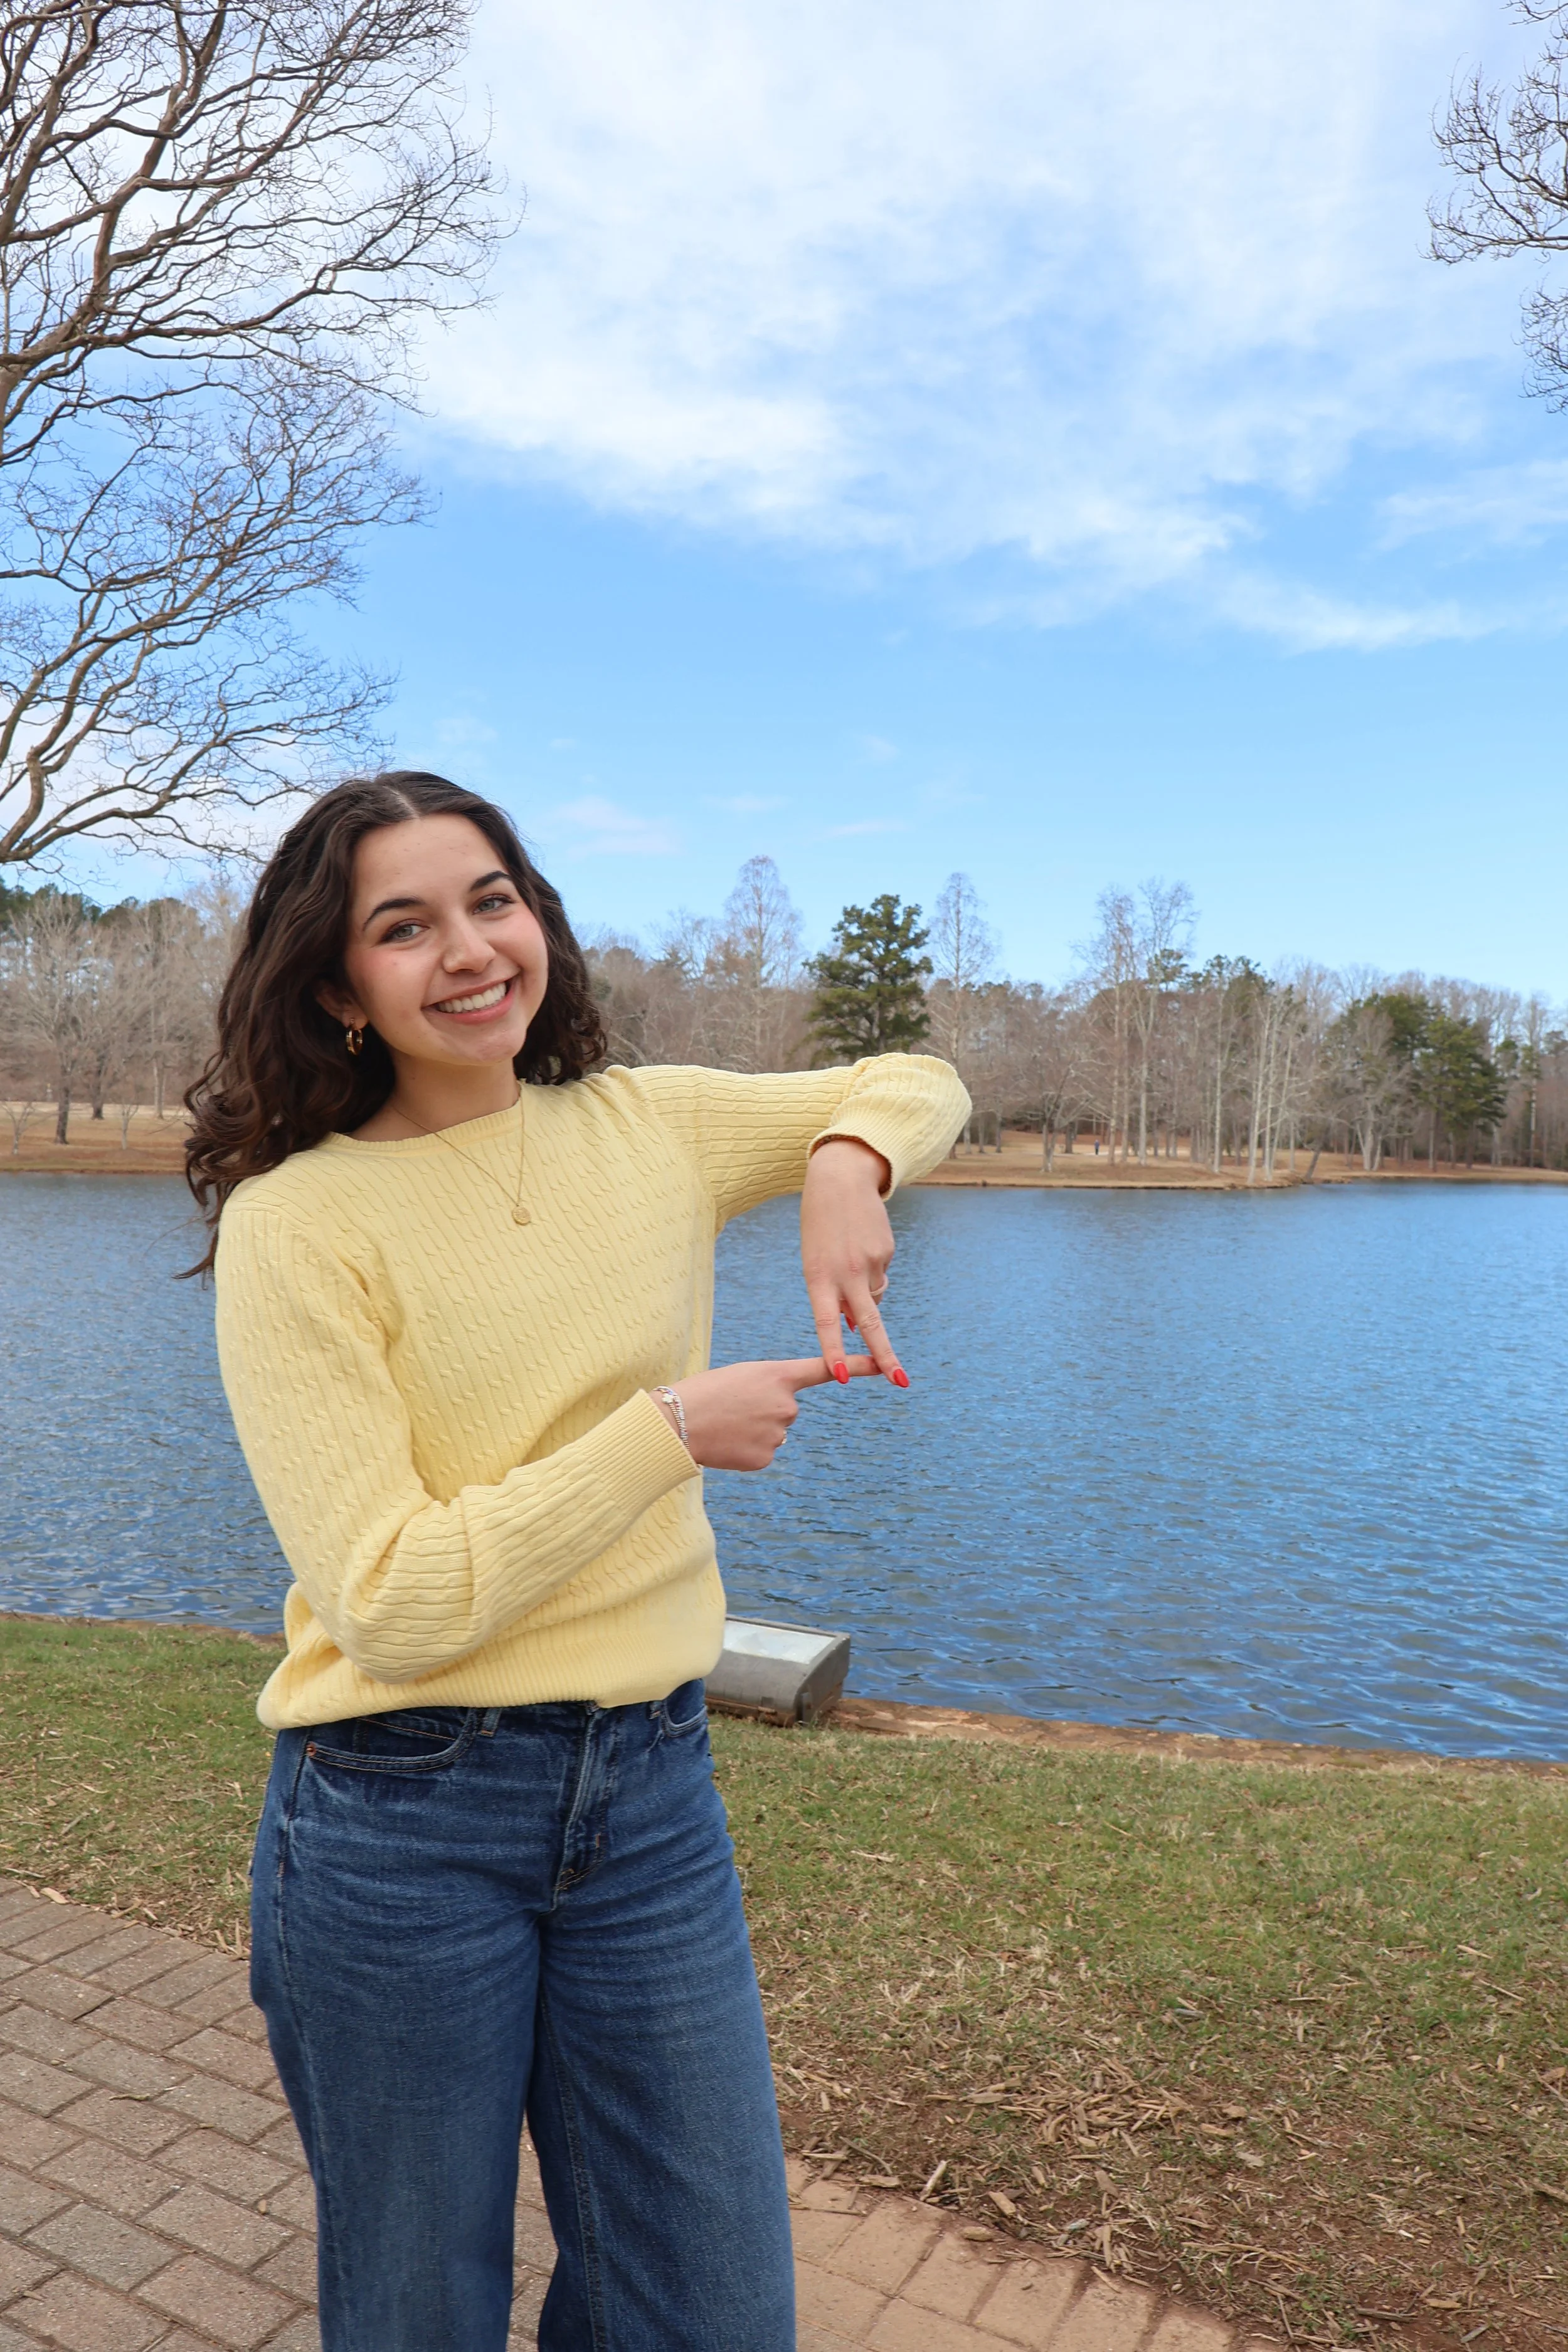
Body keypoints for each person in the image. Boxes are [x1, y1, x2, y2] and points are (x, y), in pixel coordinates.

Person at [186, 770, 968, 2352]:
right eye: (402, 927)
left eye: (492, 899)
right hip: (398, 1819)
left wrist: (841, 1163)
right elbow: (392, 1604)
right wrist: (662, 1432)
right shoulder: (300, 1226)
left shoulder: (645, 1125)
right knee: (419, 2312)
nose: (470, 949)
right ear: (340, 987)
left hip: (651, 1800)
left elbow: (914, 1074)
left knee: (710, 2310)